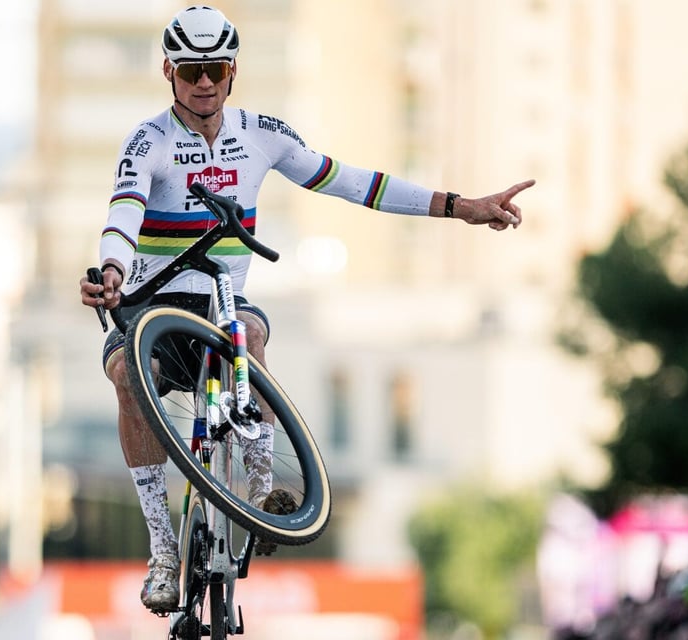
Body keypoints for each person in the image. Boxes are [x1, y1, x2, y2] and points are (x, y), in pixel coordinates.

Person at [78, 5, 535, 612]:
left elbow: (357, 184)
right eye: (191, 71)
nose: (205, 82)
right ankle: (163, 549)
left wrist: (461, 206)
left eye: (216, 68)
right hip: (146, 306)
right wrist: (110, 271)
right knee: (129, 379)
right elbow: (124, 213)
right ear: (169, 70)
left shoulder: (262, 135)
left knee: (252, 337)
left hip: (222, 302)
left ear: (233, 69)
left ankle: (264, 489)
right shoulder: (149, 141)